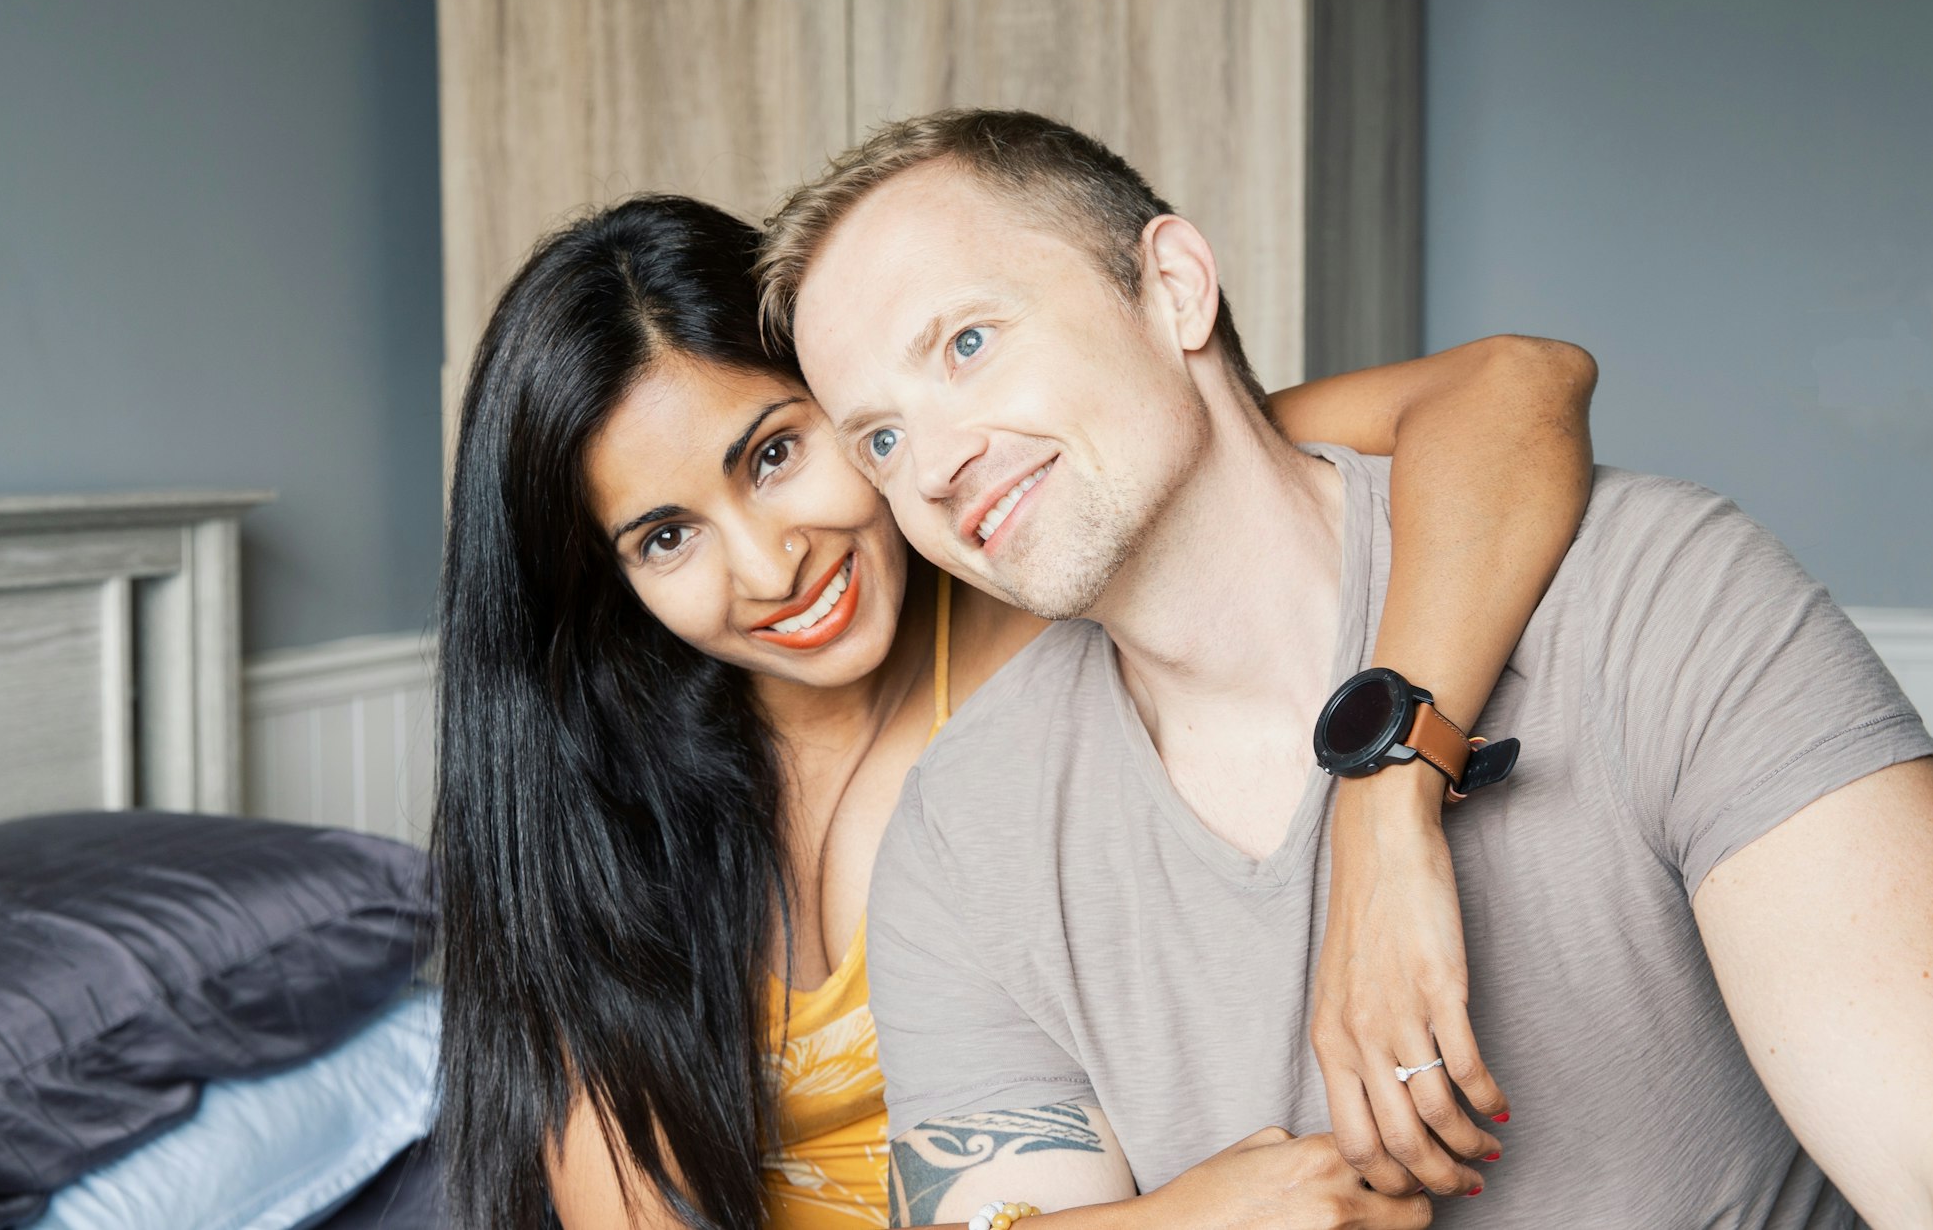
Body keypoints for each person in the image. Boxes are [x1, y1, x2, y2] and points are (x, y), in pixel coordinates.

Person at [763, 108, 1933, 1229]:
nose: (931, 465)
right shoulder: (966, 828)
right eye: (878, 436)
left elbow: (1931, 1164)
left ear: (1171, 289)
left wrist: (1384, 808)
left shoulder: (1654, 594)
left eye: (967, 342)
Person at [432, 195, 1599, 1230]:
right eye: (666, 536)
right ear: (613, 582)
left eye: (777, 453)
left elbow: (1513, 386)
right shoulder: (600, 810)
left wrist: (1385, 802)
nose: (767, 565)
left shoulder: (1060, 574)